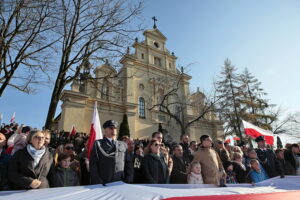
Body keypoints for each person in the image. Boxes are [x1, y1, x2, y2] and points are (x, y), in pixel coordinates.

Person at [90, 120, 132, 185]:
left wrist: (128, 178)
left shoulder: (123, 144)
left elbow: (128, 163)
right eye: (111, 128)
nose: (114, 130)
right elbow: (93, 165)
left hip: (121, 182)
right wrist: (98, 182)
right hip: (104, 183)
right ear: (105, 130)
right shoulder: (98, 144)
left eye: (115, 128)